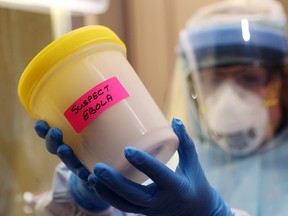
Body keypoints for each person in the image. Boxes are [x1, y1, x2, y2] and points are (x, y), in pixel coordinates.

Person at [27, 0, 288, 215]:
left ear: (281, 84)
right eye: (213, 80)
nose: (229, 100)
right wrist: (84, 203)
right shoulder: (156, 169)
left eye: (250, 78)